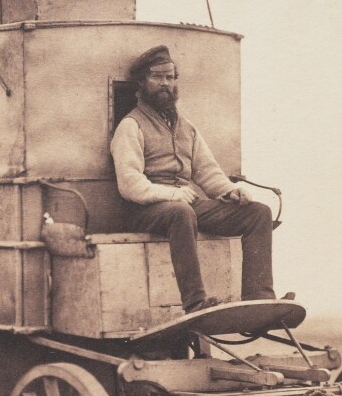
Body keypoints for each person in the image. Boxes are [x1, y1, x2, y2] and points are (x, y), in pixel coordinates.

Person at [111, 45, 289, 313]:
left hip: (184, 204)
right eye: (157, 77)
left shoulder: (186, 127)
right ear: (141, 83)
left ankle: (259, 297)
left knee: (258, 213)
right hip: (144, 210)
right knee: (181, 212)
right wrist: (171, 194)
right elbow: (130, 183)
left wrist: (229, 191)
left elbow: (206, 171)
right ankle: (195, 303)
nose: (165, 84)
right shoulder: (130, 126)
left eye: (170, 77)